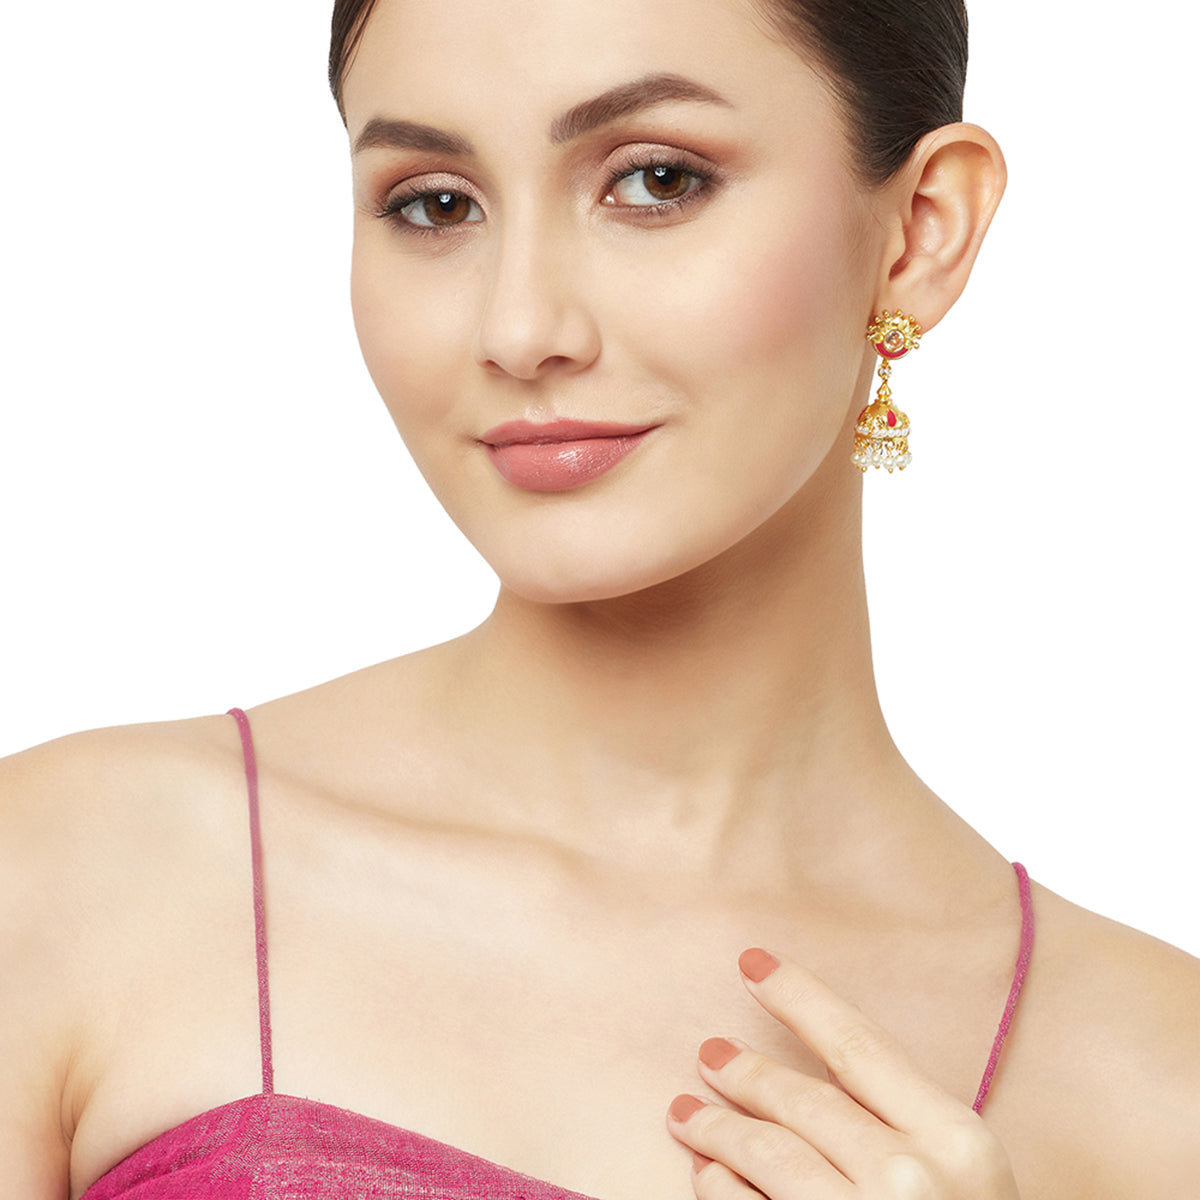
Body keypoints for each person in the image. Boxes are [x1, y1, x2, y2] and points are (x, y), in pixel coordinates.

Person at [2, 1, 1197, 1198]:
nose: (521, 329)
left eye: (656, 181)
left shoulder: (1158, 1087)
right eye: (436, 204)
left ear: (921, 233)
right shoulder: (72, 870)